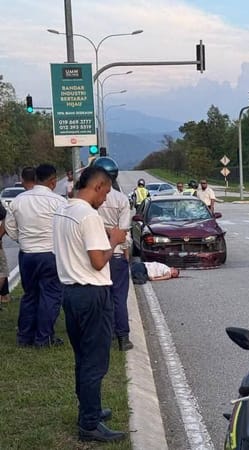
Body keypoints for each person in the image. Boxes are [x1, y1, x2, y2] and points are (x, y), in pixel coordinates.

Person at [53, 165, 128, 443]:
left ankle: (89, 408)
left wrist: (103, 233)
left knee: (82, 358)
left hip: (70, 292)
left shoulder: (63, 210)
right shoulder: (89, 216)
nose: (106, 199)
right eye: (106, 192)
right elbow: (98, 261)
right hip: (92, 293)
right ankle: (89, 423)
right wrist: (114, 239)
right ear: (97, 186)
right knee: (95, 362)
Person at [4, 164, 67, 348]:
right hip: (50, 254)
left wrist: (22, 240)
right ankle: (43, 338)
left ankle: (24, 337)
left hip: (27, 255)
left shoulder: (19, 200)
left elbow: (10, 228)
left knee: (30, 295)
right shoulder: (58, 202)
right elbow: (65, 229)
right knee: (51, 296)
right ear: (53, 181)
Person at [93, 157, 133, 352]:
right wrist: (125, 250)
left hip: (95, 254)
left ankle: (104, 335)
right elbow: (124, 231)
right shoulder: (121, 200)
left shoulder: (89, 199)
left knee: (101, 298)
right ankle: (123, 337)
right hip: (116, 254)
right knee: (119, 298)